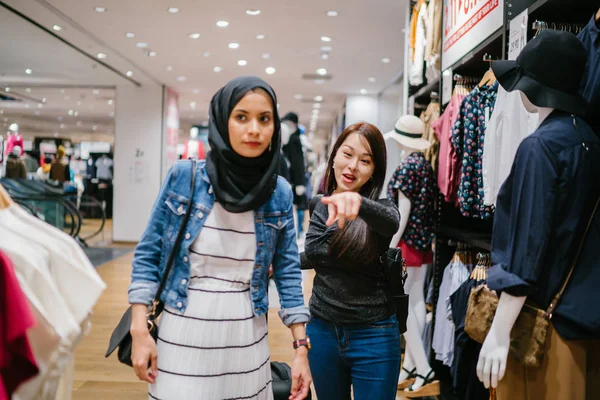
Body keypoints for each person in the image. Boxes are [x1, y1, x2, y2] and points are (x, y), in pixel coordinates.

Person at [128, 76, 312, 400]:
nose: (253, 129)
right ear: (222, 120)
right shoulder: (185, 177)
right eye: (241, 117)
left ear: (274, 128)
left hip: (247, 342)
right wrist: (139, 328)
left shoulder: (278, 192)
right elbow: (148, 254)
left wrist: (301, 349)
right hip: (182, 336)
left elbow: (287, 272)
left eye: (264, 119)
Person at [304, 122, 401, 400]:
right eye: (347, 154)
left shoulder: (381, 210)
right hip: (322, 331)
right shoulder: (320, 205)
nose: (353, 166)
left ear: (374, 171)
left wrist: (357, 203)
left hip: (374, 335)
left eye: (365, 161)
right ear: (334, 156)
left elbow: (391, 222)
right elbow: (321, 253)